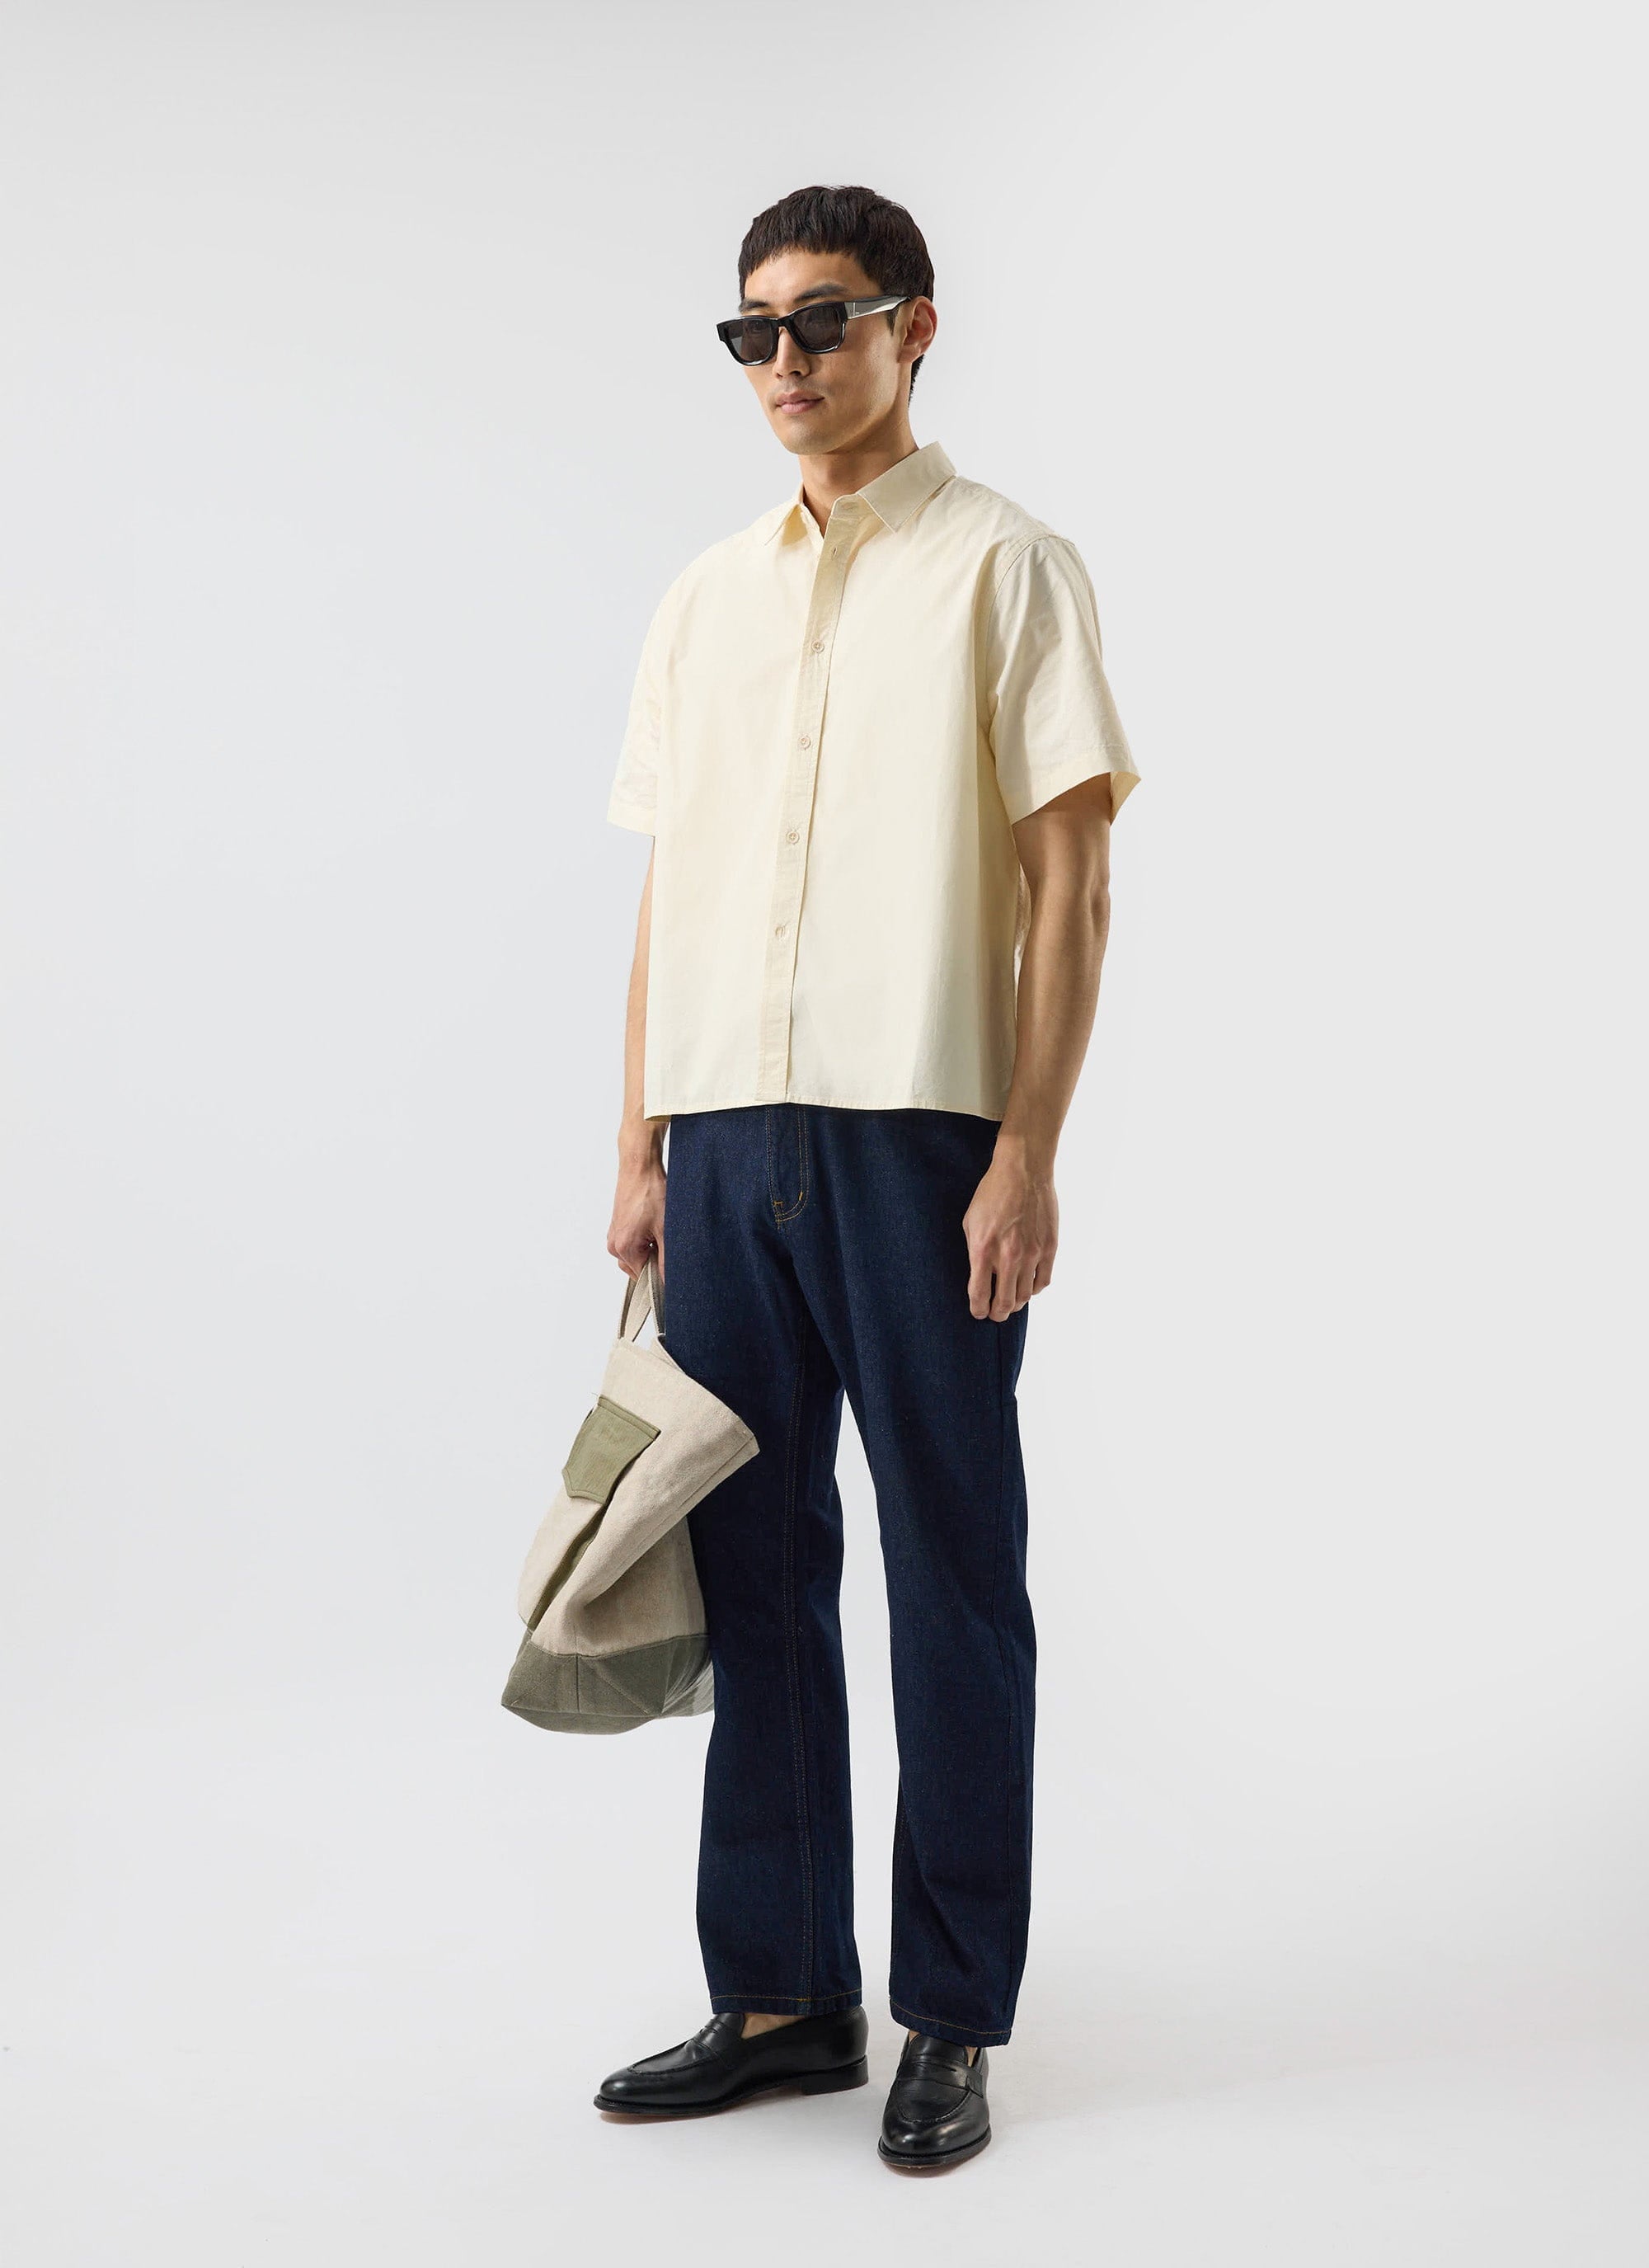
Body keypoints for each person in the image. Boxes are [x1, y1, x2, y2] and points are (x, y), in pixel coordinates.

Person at [594, 182, 1139, 2172]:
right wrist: (640, 1142)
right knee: (753, 1570)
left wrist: (1026, 1149)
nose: (787, 362)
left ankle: (952, 2010)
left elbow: (1072, 882)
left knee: (950, 1568)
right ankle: (781, 1995)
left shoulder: (1007, 568)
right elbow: (673, 884)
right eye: (754, 330)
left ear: (914, 327)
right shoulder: (702, 599)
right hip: (725, 1135)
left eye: (823, 319)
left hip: (920, 1138)